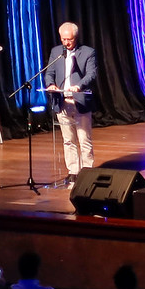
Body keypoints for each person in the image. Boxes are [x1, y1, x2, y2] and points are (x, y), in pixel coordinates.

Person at [40, 21, 98, 188]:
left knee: (84, 138)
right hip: (62, 101)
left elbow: (92, 74)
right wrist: (51, 84)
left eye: (69, 40)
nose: (66, 42)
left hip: (79, 101)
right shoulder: (56, 52)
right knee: (68, 139)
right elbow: (49, 72)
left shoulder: (88, 52)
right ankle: (73, 171)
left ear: (76, 38)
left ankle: (87, 172)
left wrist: (79, 85)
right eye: (63, 39)